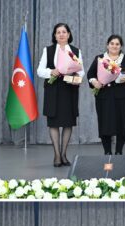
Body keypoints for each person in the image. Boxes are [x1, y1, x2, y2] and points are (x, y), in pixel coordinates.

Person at [37, 23, 84, 167]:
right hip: (53, 90)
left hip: (69, 89)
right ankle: (57, 155)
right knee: (54, 123)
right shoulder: (48, 50)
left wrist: (76, 75)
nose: (61, 34)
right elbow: (39, 71)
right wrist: (51, 72)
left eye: (64, 32)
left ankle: (64, 154)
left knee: (68, 123)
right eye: (58, 32)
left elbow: (81, 71)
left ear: (69, 34)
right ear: (55, 35)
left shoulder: (75, 51)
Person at [87, 35, 125, 155]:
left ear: (121, 46)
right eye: (112, 43)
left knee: (122, 123)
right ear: (107, 45)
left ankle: (119, 151)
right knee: (105, 123)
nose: (114, 46)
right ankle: (107, 151)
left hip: (123, 97)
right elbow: (90, 74)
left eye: (117, 44)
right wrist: (94, 82)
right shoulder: (100, 59)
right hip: (104, 96)